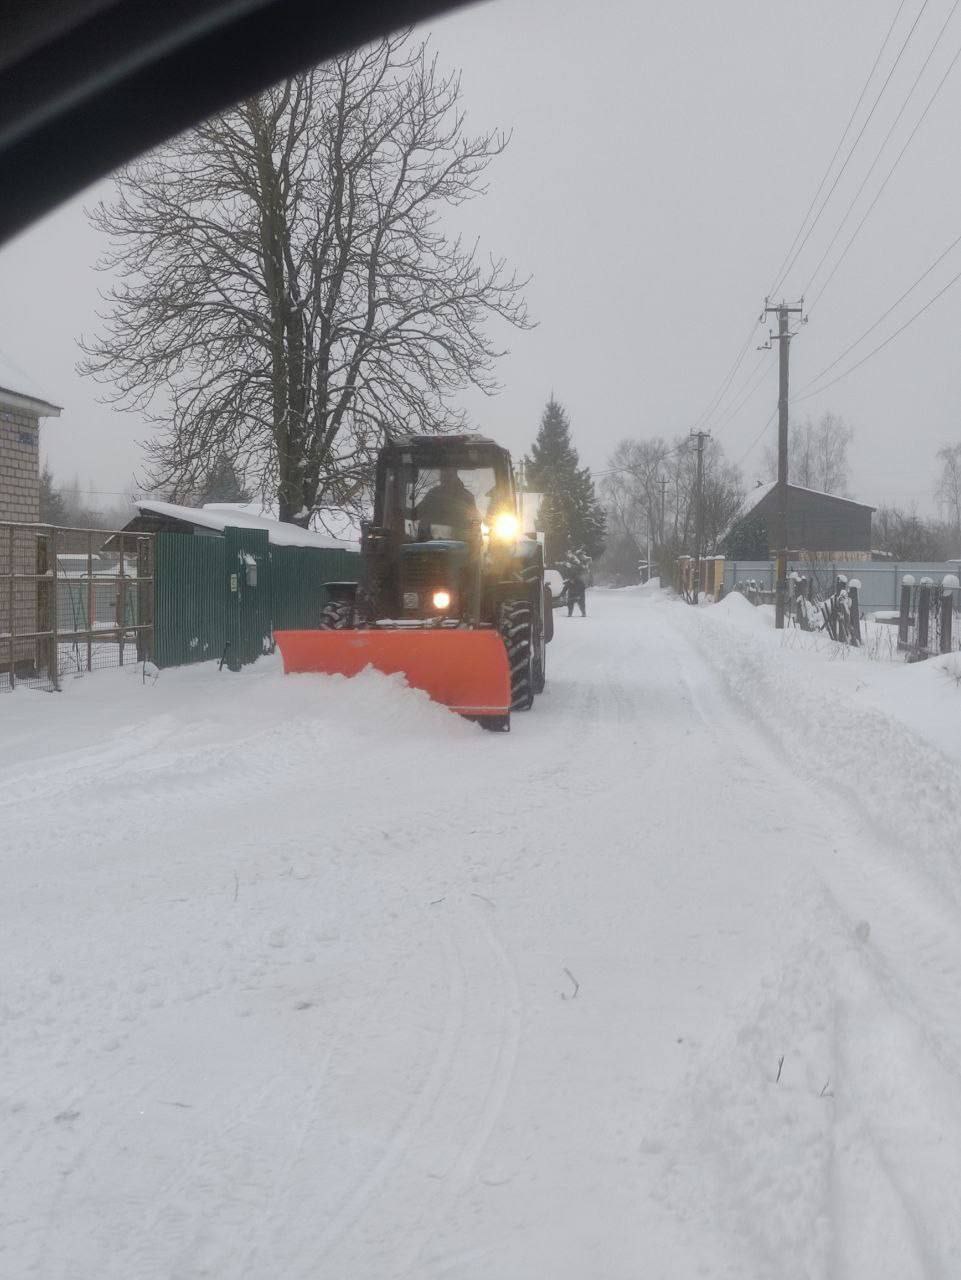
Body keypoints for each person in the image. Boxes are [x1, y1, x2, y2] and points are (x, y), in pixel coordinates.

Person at [416, 467, 480, 540]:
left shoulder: (467, 497)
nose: (445, 478)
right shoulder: (432, 494)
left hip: (461, 547)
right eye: (443, 475)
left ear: (455, 475)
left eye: (448, 475)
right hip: (430, 546)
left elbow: (475, 522)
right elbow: (416, 514)